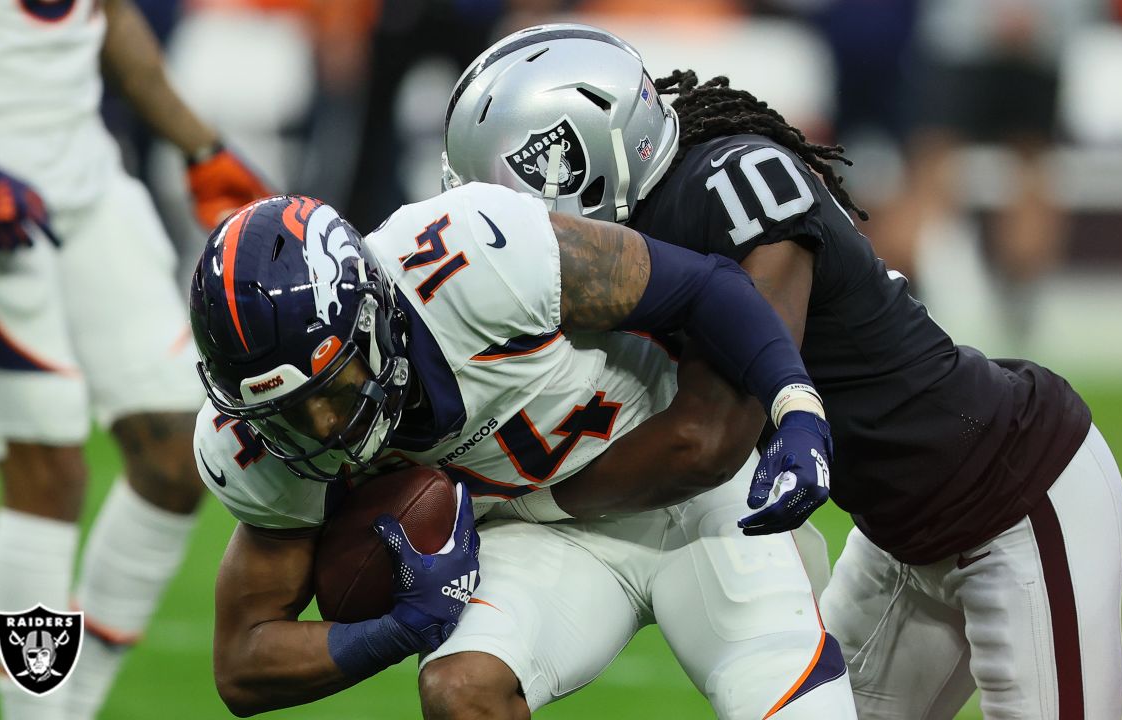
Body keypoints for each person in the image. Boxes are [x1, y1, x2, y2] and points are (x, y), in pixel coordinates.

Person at [442, 24, 1122, 719]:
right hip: (898, 539)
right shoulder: (644, 219)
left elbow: (711, 436)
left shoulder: (730, 184)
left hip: (1015, 499)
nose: (505, 225)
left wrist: (528, 501)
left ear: (576, 158)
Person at [189, 189, 856, 718]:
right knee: (461, 689)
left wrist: (792, 402)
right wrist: (399, 628)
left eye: (332, 386)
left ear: (373, 317)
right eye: (284, 415)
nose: (323, 425)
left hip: (687, 492)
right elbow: (242, 664)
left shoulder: (469, 259)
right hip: (537, 536)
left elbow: (704, 287)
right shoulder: (255, 447)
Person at [0, 1, 268, 718]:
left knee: (179, 447)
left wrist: (200, 146)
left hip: (85, 181)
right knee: (48, 468)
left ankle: (73, 704)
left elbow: (108, 15)